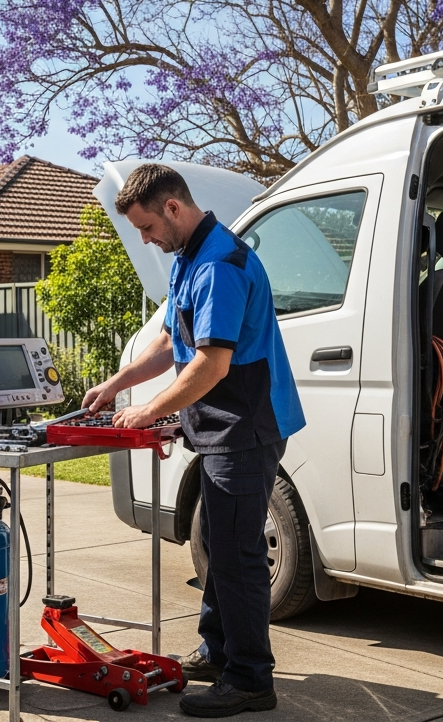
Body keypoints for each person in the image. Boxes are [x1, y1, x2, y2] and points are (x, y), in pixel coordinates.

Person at [82, 164, 304, 718]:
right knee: (216, 545)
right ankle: (220, 650)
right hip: (218, 429)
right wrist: (117, 384)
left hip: (243, 429)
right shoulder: (188, 256)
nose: (145, 240)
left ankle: (251, 680)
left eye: (146, 227)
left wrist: (149, 411)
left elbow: (211, 362)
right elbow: (168, 340)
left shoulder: (220, 265)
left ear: (173, 209)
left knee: (237, 557)